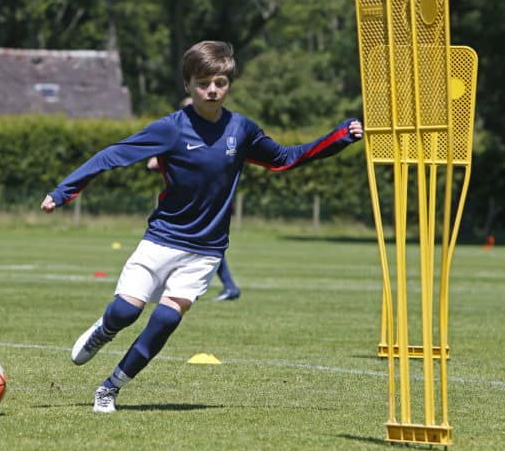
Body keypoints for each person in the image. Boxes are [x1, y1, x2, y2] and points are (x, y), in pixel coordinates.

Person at [41, 40, 363, 413]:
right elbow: (112, 155)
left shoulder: (241, 130)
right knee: (126, 312)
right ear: (188, 85)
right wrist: (63, 191)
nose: (213, 90)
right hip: (161, 240)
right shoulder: (171, 130)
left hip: (205, 250)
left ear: (229, 84)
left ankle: (110, 388)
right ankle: (105, 330)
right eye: (203, 83)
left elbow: (285, 159)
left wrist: (338, 138)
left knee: (164, 320)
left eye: (221, 82)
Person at [148, 96, 240, 302]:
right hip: (191, 202)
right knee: (203, 243)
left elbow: (152, 164)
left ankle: (220, 286)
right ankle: (225, 286)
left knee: (203, 243)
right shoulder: (178, 132)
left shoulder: (221, 133)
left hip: (199, 204)